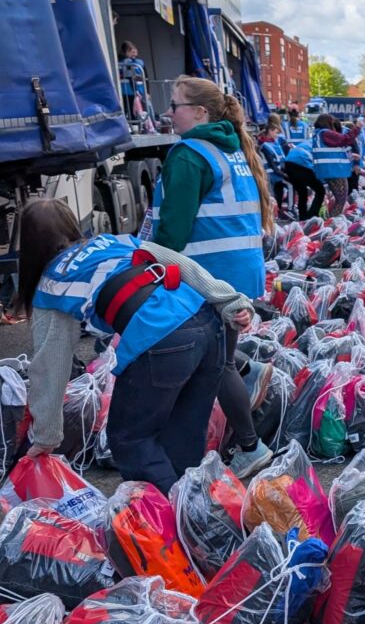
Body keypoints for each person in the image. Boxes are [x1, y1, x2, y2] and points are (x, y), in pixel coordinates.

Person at [18, 199, 252, 494]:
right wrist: (230, 301)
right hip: (207, 325)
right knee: (184, 436)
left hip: (161, 338)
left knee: (131, 439)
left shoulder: (52, 283)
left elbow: (50, 364)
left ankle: (170, 521)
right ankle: (198, 521)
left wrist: (46, 434)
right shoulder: (113, 242)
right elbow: (182, 264)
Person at [151, 77, 274, 478]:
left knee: (213, 365)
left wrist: (151, 265)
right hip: (238, 270)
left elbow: (172, 229)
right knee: (220, 356)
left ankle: (250, 445)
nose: (169, 114)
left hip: (208, 276)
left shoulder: (188, 155)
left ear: (200, 113)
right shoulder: (230, 147)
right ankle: (247, 370)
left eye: (175, 106)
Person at [311, 113, 354, 216]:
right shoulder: (326, 133)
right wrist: (357, 128)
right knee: (341, 199)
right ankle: (333, 221)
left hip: (327, 170)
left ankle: (330, 219)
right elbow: (345, 139)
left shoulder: (318, 134)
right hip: (334, 170)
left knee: (338, 198)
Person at [283, 133, 325, 220]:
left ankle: (303, 217)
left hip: (288, 164)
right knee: (320, 190)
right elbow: (320, 164)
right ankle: (312, 216)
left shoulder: (308, 142)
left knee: (302, 191)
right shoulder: (320, 145)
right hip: (302, 165)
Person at [258, 115, 290, 215]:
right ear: (270, 131)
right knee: (272, 198)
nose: (277, 135)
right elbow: (273, 165)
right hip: (270, 176)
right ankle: (275, 215)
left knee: (278, 196)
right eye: (276, 132)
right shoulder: (265, 145)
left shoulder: (274, 143)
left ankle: (280, 212)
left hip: (276, 175)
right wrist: (285, 175)